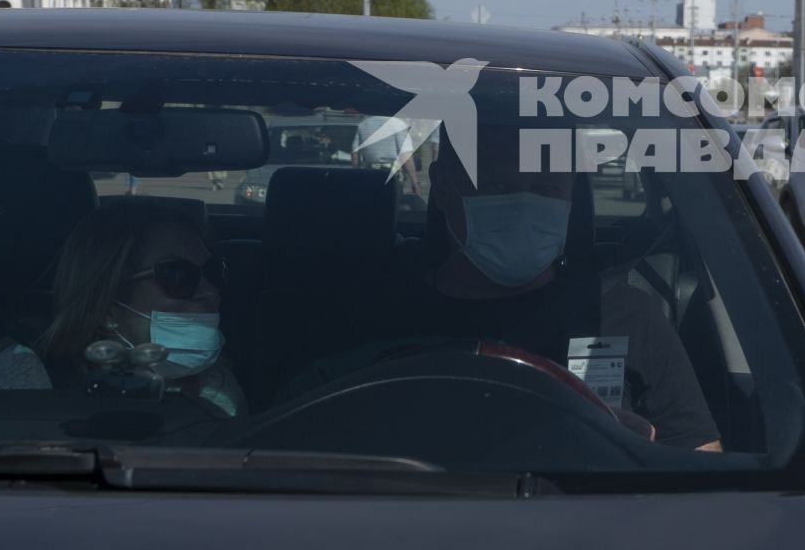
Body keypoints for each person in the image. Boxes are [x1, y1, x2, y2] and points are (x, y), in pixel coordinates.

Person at [281, 123, 721, 451]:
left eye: (547, 187)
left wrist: (626, 448)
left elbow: (701, 462)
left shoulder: (626, 314)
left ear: (572, 198)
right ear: (443, 188)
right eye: (496, 185)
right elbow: (293, 447)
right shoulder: (365, 313)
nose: (524, 205)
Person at [0, 202, 246, 416]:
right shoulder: (23, 380)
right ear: (108, 304)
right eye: (177, 276)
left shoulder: (216, 384)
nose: (211, 292)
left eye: (212, 273)